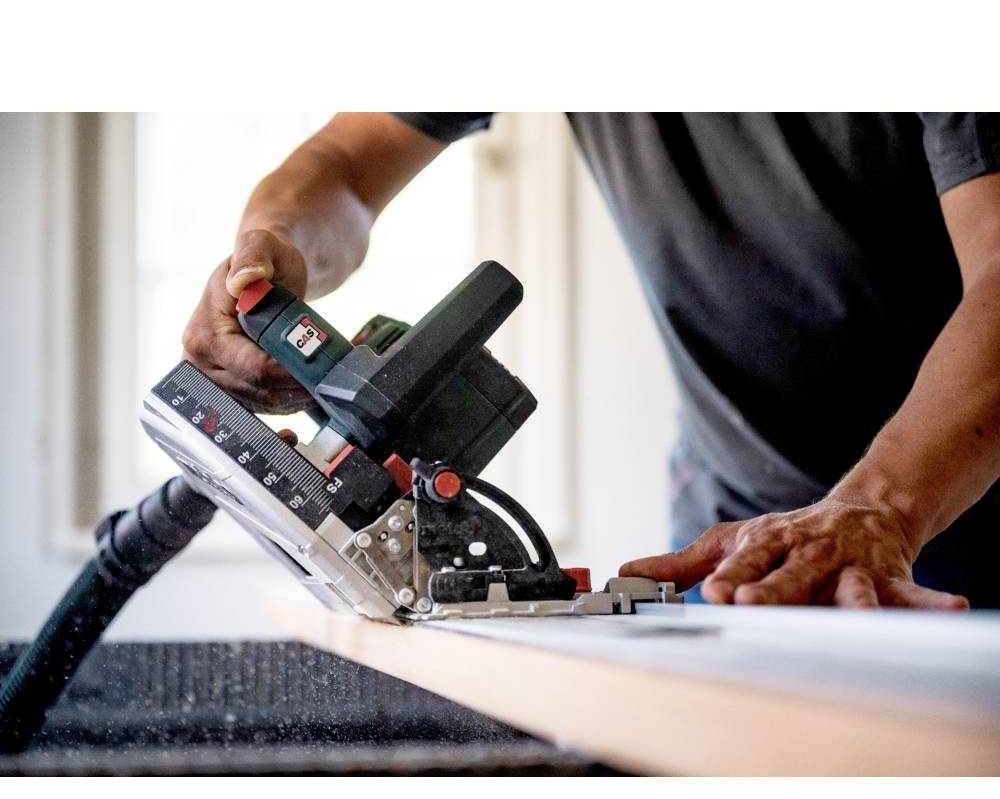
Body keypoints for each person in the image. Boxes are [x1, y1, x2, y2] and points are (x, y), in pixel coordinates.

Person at [182, 112, 1000, 609]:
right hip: (734, 533)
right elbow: (346, 165)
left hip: (960, 508)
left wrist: (882, 511)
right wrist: (271, 246)